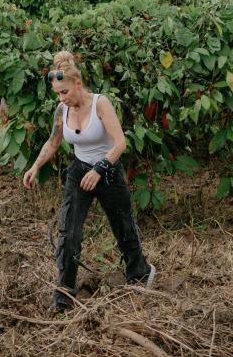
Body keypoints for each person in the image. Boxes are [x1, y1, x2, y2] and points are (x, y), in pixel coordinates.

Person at [22, 51, 156, 312]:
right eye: (58, 93)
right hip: (79, 171)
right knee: (68, 232)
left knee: (123, 227)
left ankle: (140, 273)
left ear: (78, 84)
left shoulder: (100, 104)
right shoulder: (62, 110)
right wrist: (35, 166)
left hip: (107, 171)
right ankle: (64, 295)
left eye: (65, 92)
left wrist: (99, 169)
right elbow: (53, 141)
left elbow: (120, 144)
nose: (62, 98)